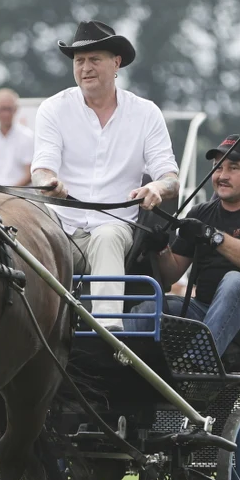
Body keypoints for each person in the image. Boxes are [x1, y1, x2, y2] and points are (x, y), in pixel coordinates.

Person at [32, 20, 179, 326]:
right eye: (79, 61)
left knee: (107, 236)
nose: (85, 68)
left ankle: (108, 334)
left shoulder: (146, 113)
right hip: (60, 227)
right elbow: (42, 170)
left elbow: (170, 176)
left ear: (116, 63)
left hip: (115, 227)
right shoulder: (52, 109)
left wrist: (156, 189)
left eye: (94, 59)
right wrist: (48, 183)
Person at [137, 135, 240, 363]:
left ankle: (195, 368)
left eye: (233, 168)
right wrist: (161, 248)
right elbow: (171, 274)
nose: (222, 175)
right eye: (217, 167)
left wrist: (212, 236)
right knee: (149, 307)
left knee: (235, 282)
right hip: (204, 311)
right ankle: (114, 367)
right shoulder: (200, 213)